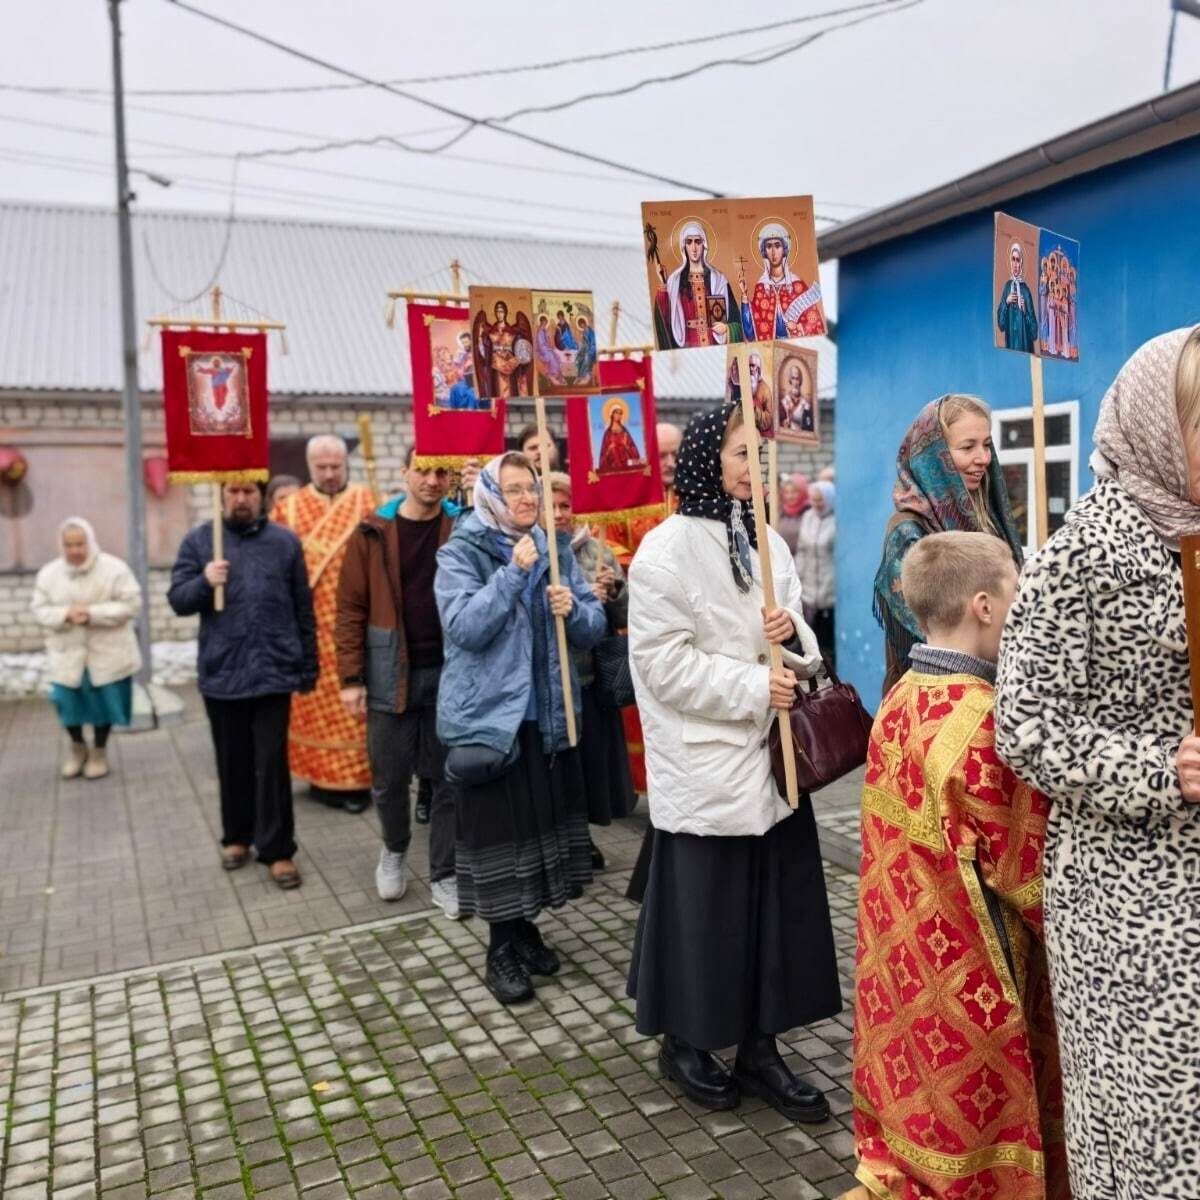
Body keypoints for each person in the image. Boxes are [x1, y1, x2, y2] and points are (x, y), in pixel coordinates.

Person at [994, 326, 1200, 1200]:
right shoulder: (1088, 549)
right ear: (1164, 425)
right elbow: (1025, 725)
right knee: (1148, 1128)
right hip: (1127, 897)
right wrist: (1164, 770)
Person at [626, 402, 840, 1120]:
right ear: (705, 460)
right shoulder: (662, 551)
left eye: (761, 453)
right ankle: (685, 1040)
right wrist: (756, 685)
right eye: (743, 453)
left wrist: (794, 640)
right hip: (709, 767)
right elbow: (662, 666)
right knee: (705, 916)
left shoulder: (767, 543)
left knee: (773, 915)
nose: (757, 466)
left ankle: (760, 1046)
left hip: (774, 765)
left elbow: (801, 640)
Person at [852, 532, 1068, 1200]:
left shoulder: (898, 697)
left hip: (902, 965)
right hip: (971, 970)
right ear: (984, 605)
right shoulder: (983, 726)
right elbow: (1031, 875)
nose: (1024, 603)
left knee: (918, 1093)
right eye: (1017, 590)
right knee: (977, 1116)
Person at [435, 453, 606, 1004]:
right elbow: (464, 628)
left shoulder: (553, 548)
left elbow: (592, 626)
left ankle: (524, 929)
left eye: (530, 487)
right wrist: (513, 574)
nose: (527, 498)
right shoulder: (462, 550)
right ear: (488, 494)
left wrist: (572, 610)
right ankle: (499, 949)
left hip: (547, 717)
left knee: (536, 831)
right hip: (491, 722)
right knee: (498, 838)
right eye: (512, 489)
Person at [169, 481, 316, 888]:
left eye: (249, 491)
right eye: (232, 491)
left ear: (262, 496)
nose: (240, 499)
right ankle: (237, 836)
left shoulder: (284, 543)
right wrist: (204, 581)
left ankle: (278, 850)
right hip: (223, 671)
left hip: (274, 671)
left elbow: (303, 606)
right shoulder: (201, 541)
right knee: (232, 761)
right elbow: (178, 599)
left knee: (271, 765)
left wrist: (308, 666)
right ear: (221, 495)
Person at [336, 449, 461, 916]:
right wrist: (351, 677)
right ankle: (393, 849)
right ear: (404, 472)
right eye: (423, 470)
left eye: (441, 471)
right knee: (389, 778)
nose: (432, 480)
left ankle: (445, 874)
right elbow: (350, 609)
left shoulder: (461, 526)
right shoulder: (373, 532)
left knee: (447, 778)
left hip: (451, 672)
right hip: (391, 671)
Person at [873, 395, 1023, 696]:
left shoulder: (989, 521)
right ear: (932, 457)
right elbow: (935, 632)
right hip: (935, 703)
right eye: (968, 447)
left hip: (995, 696)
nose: (982, 458)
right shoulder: (908, 532)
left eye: (986, 445)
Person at [273, 435, 375, 812]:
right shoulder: (289, 509)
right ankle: (320, 778)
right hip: (310, 631)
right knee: (314, 709)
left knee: (357, 712)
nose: (330, 474)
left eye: (336, 466)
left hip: (358, 627)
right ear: (309, 466)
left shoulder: (369, 500)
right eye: (322, 468)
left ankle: (358, 782)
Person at [549, 473, 636, 870]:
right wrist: (584, 597)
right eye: (549, 505)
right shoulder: (531, 551)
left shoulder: (596, 550)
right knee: (559, 767)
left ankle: (582, 839)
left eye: (565, 505)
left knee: (588, 765)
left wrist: (614, 592)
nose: (558, 514)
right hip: (550, 681)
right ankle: (564, 842)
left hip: (590, 677)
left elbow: (625, 615)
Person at [31, 517, 142, 781]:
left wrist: (93, 613)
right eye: (69, 545)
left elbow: (131, 603)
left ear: (90, 542)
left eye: (80, 544)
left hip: (107, 652)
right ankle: (77, 748)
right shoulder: (49, 574)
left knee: (105, 702)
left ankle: (99, 752)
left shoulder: (114, 569)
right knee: (67, 702)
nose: (75, 551)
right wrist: (66, 614)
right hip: (67, 653)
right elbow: (39, 609)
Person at [652, 221, 743, 349]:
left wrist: (727, 328)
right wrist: (663, 283)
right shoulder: (675, 280)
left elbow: (736, 320)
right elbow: (664, 317)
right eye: (689, 242)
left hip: (714, 344)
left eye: (697, 242)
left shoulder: (718, 279)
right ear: (684, 246)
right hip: (687, 344)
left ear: (704, 245)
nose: (694, 248)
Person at [739, 223, 825, 340]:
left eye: (777, 245)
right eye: (769, 246)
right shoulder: (761, 287)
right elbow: (750, 331)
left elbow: (815, 324)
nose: (773, 252)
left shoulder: (797, 286)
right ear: (764, 252)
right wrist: (744, 295)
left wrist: (797, 327)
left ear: (784, 249)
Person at [794, 480, 836, 666]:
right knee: (812, 640)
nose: (817, 504)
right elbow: (802, 550)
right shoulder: (808, 517)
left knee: (829, 639)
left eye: (820, 500)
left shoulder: (837, 520)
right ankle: (818, 677)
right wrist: (797, 581)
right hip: (809, 588)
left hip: (830, 587)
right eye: (813, 500)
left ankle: (833, 676)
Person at [996, 242, 1038, 353]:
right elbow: (1001, 325)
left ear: (1021, 263)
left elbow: (1034, 333)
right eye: (1013, 259)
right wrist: (1006, 302)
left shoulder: (1025, 291)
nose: (1015, 264)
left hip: (1025, 349)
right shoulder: (1007, 288)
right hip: (1011, 352)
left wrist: (1025, 312)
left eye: (1017, 260)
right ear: (1010, 262)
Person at [597, 402, 643, 472]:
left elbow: (635, 453)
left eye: (620, 413)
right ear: (612, 414)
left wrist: (626, 446)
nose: (619, 415)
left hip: (626, 466)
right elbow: (603, 455)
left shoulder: (625, 432)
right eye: (616, 413)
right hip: (613, 468)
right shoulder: (607, 433)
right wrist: (609, 449)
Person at [776, 472, 809, 556]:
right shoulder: (780, 512)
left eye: (794, 492)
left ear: (803, 491)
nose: (790, 496)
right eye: (786, 492)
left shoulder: (810, 513)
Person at [574, 315, 597, 384]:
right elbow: (584, 345)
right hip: (585, 350)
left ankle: (586, 376)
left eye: (582, 324)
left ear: (585, 323)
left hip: (592, 352)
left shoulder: (591, 332)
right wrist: (580, 352)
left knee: (586, 358)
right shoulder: (584, 333)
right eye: (580, 325)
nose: (582, 326)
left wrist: (589, 352)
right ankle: (579, 376)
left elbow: (594, 344)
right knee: (578, 359)